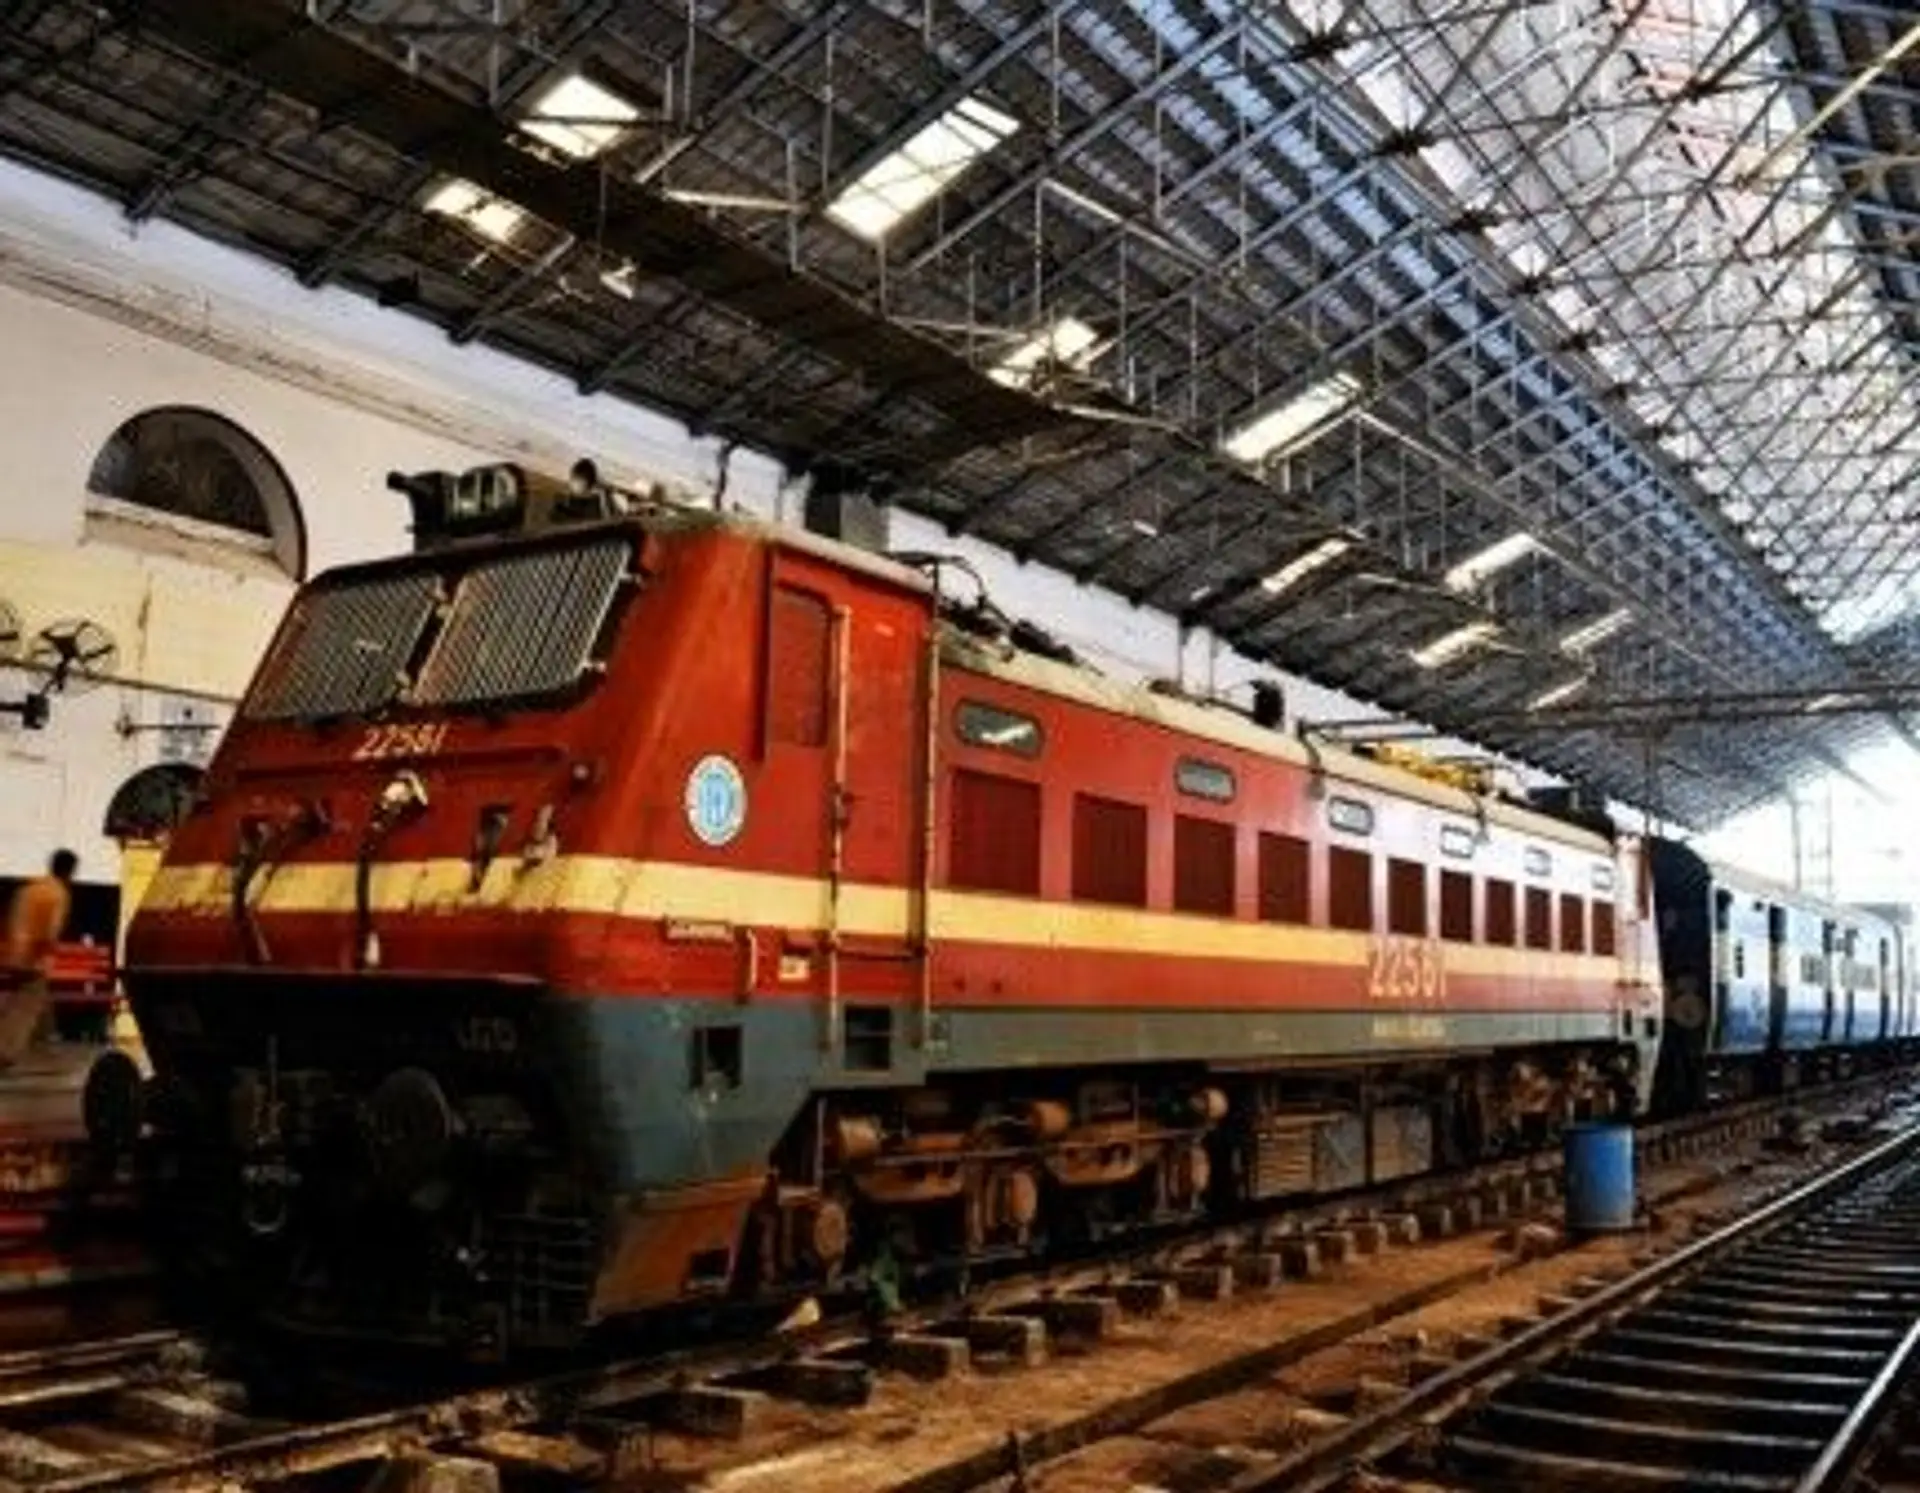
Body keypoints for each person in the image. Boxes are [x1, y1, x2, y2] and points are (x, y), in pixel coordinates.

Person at [0, 849, 77, 1066]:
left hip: (12, 954)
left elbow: (10, 921)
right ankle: (5, 1051)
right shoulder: (58, 893)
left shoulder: (29, 889)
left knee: (17, 1002)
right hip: (33, 960)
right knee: (23, 1008)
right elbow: (50, 933)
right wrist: (37, 957)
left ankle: (45, 1042)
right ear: (69, 871)